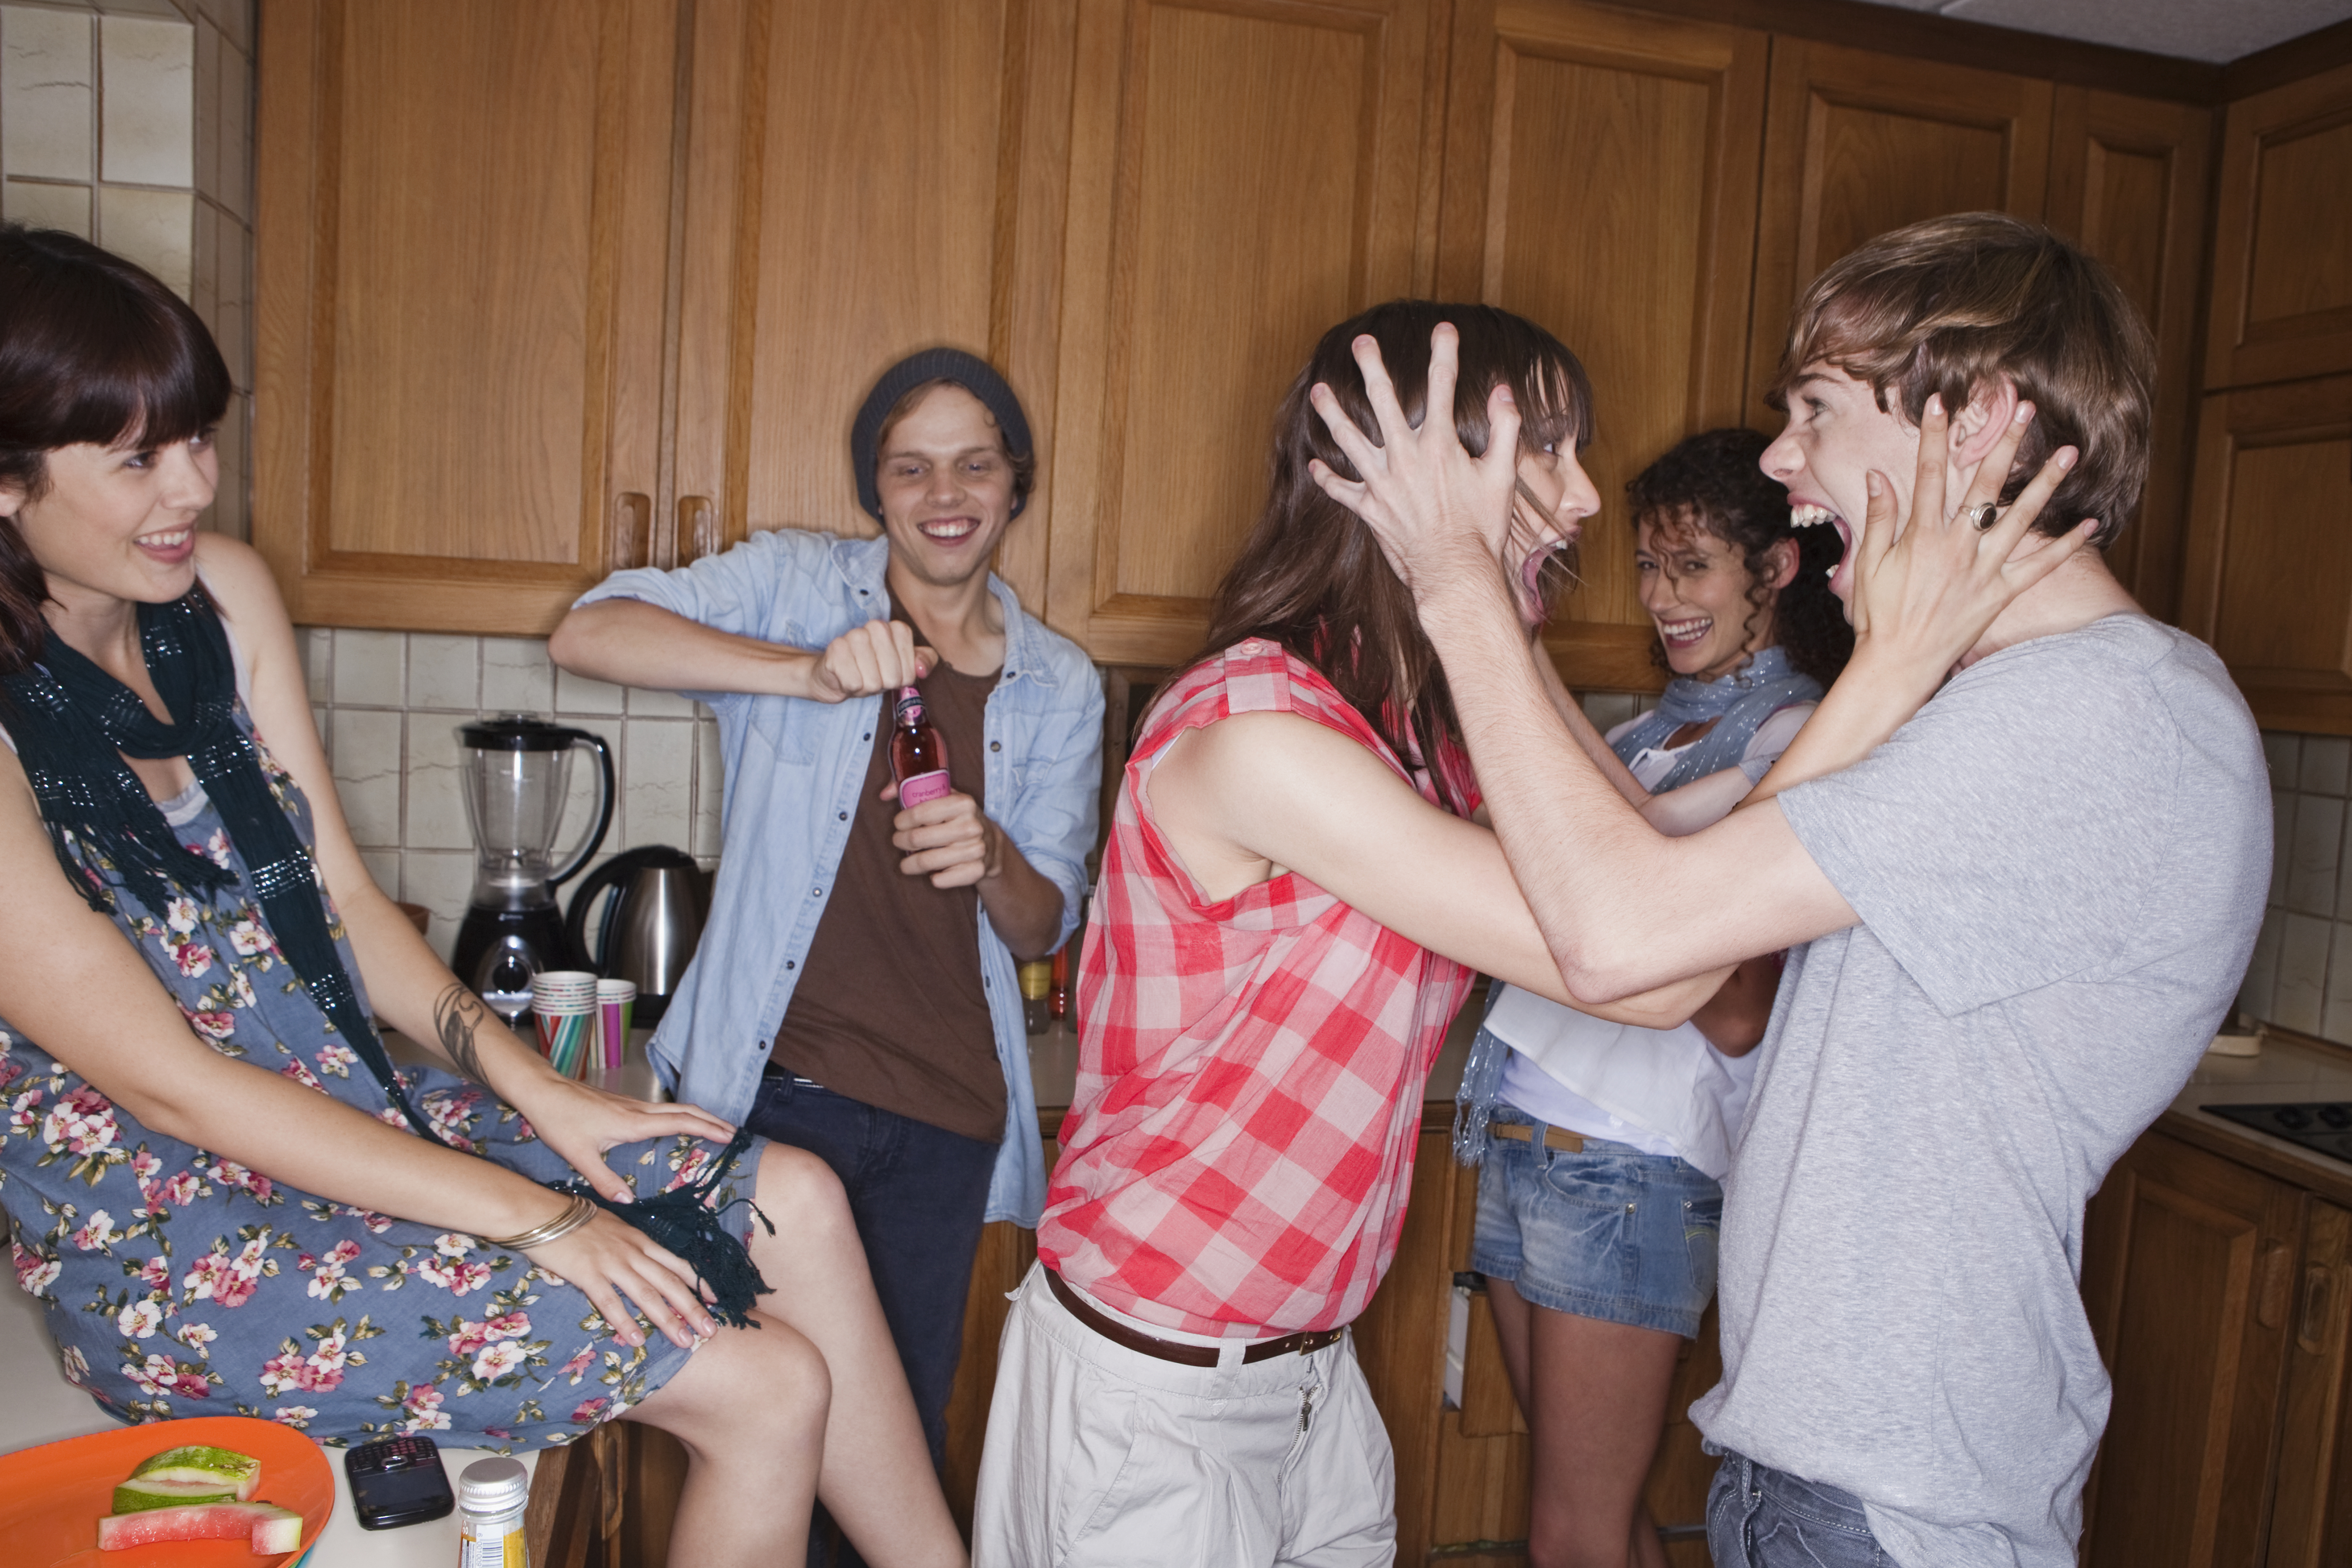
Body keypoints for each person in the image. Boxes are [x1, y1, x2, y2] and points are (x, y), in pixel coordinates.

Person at [1308, 214, 2269, 1568]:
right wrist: (1493, 609)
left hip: (1894, 1496)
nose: (1782, 460)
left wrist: (1455, 574)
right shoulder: (1986, 712)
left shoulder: (2101, 713)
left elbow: (1624, 937)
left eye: (1815, 408)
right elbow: (1641, 854)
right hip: (1829, 1468)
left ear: (1979, 420)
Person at [0, 228, 967, 1565]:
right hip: (182, 1235)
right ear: (5, 481)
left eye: (197, 439)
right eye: (137, 458)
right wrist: (546, 1213)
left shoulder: (219, 600)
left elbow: (342, 896)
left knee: (792, 1194)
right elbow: (178, 1089)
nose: (194, 487)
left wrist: (550, 1095)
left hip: (349, 1116)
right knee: (767, 1384)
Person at [970, 301, 1761, 1568]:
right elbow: (1645, 966)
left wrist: (1865, 717)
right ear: (1411, 475)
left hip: (1310, 1385)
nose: (1585, 500)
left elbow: (1642, 852)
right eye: (1540, 452)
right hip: (1157, 1402)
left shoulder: (1418, 726)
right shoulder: (1264, 740)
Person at [547, 350, 1102, 1522]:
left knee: (888, 1464)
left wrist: (995, 858)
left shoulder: (1061, 681)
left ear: (1015, 484)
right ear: (877, 489)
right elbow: (588, 635)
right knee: (770, 1442)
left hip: (949, 1119)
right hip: (773, 1097)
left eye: (974, 464)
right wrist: (803, 674)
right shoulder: (800, 585)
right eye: (911, 468)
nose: (943, 493)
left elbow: (1046, 918)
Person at [1454, 427, 1848, 1568]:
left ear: (1774, 570)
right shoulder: (1647, 726)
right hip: (1534, 1134)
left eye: (1693, 566)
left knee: (1570, 1534)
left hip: (1629, 1169)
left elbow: (1737, 1011)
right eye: (1648, 565)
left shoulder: (1797, 739)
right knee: (1596, 1515)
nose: (1663, 597)